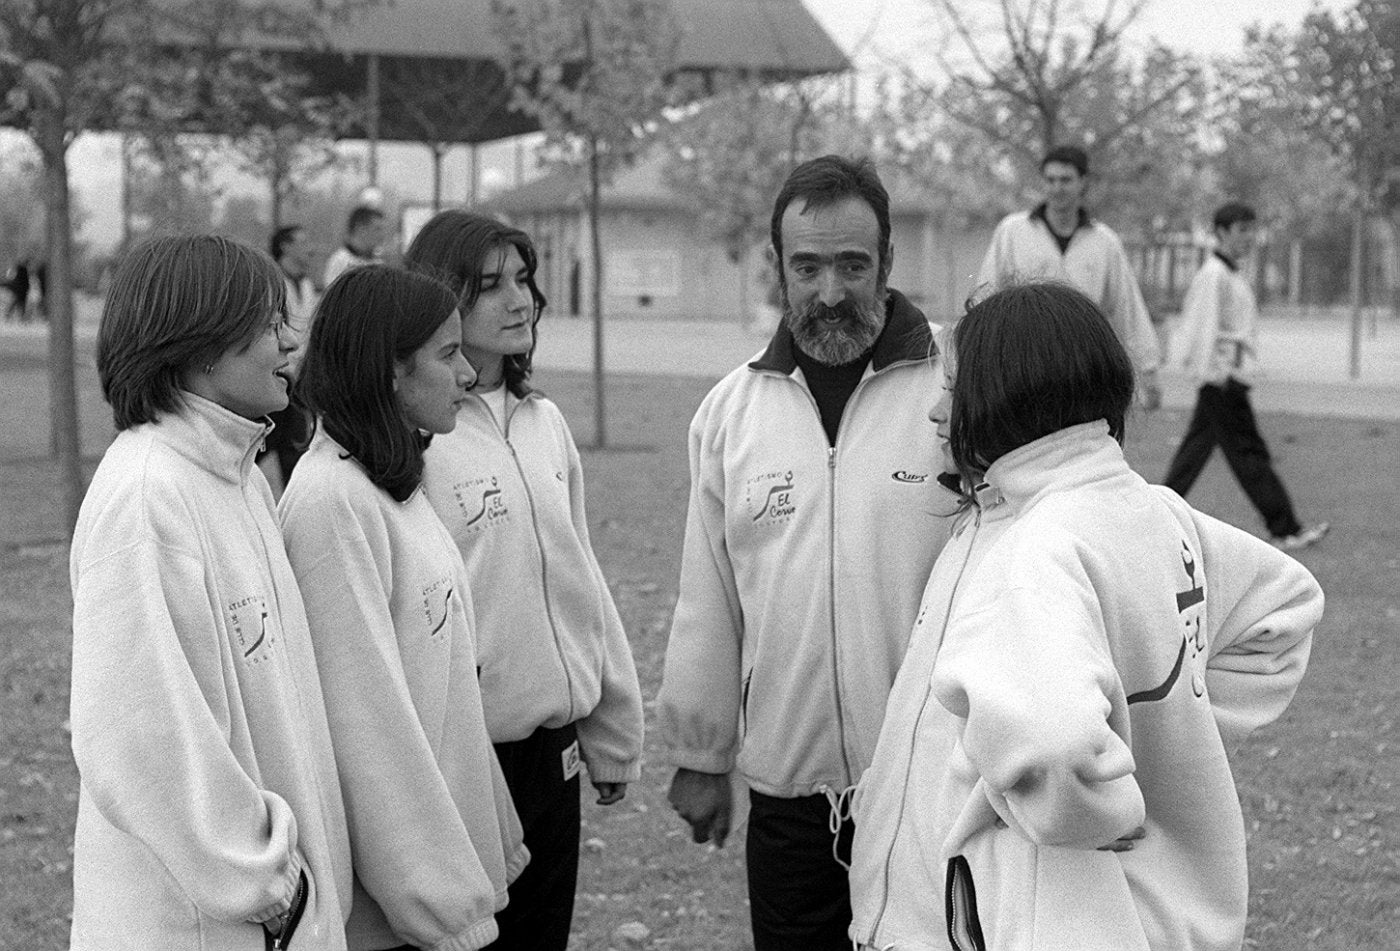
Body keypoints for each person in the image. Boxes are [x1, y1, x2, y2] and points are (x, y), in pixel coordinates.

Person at [848, 282, 1323, 951]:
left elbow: (1057, 745)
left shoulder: (1039, 546)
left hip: (1056, 924)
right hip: (1162, 918)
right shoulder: (1154, 511)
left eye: (951, 386)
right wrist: (1160, 733)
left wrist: (1091, 802)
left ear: (1003, 394)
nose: (933, 410)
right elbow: (1285, 605)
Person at [657, 154, 957, 950]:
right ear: (777, 269)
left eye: (853, 265)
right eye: (809, 267)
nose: (831, 292)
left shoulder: (958, 388)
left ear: (888, 263)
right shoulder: (731, 411)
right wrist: (699, 751)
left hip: (933, 782)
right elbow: (709, 594)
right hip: (788, 795)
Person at [68, 234, 350, 950]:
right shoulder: (146, 495)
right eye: (268, 324)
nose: (293, 340)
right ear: (196, 346)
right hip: (199, 927)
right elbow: (136, 738)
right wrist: (273, 886)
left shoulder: (240, 476)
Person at [404, 209, 645, 950]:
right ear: (441, 297)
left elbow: (580, 583)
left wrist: (610, 728)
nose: (520, 300)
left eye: (524, 279)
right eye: (490, 286)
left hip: (555, 757)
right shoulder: (412, 443)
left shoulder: (545, 423)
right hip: (465, 761)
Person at [279, 264, 528, 951]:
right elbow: (367, 729)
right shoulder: (331, 503)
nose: (470, 376)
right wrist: (441, 903)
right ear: (389, 370)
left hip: (436, 889)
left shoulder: (390, 482)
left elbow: (446, 688)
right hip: (392, 918)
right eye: (448, 355)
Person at [1164, 202, 1329, 551]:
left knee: (1194, 455)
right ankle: (1285, 527)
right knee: (1248, 454)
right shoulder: (1214, 275)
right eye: (1241, 230)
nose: (1249, 238)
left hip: (1226, 379)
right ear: (1221, 232)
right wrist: (1213, 375)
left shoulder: (1230, 274)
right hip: (1222, 381)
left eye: (1251, 230)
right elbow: (1201, 327)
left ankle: (1155, 517)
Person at [976, 144, 1162, 407]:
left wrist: (1148, 368)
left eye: (1065, 180)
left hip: (1082, 365)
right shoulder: (1013, 232)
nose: (1057, 188)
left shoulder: (1104, 241)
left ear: (1083, 182)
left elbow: (1126, 306)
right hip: (1025, 361)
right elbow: (986, 293)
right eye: (1050, 180)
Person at [257, 224, 319, 498]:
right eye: (303, 242)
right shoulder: (271, 284)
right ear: (285, 247)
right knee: (258, 446)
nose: (310, 249)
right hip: (276, 378)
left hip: (298, 385)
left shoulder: (306, 284)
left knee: (295, 452)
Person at [322, 205, 387, 286]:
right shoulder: (339, 261)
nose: (382, 235)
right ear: (361, 229)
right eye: (377, 229)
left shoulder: (379, 264)